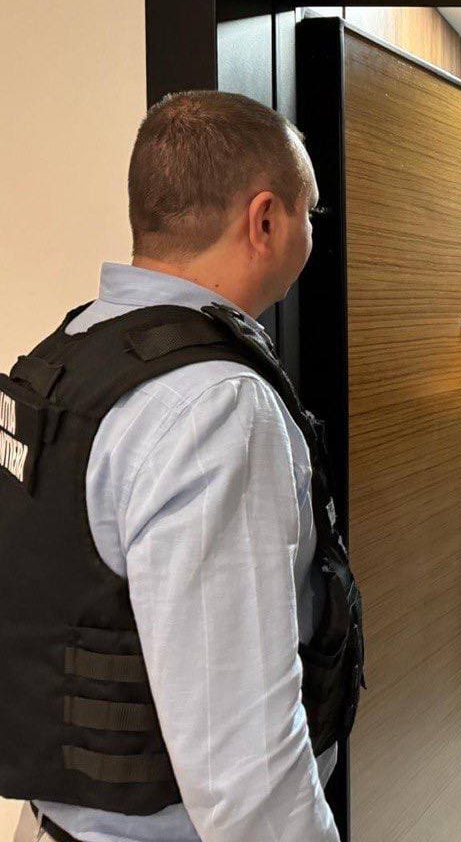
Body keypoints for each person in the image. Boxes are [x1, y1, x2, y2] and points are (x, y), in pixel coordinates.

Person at [0, 91, 363, 842]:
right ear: (266, 221)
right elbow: (245, 767)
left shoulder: (67, 357)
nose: (312, 232)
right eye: (311, 212)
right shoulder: (215, 406)